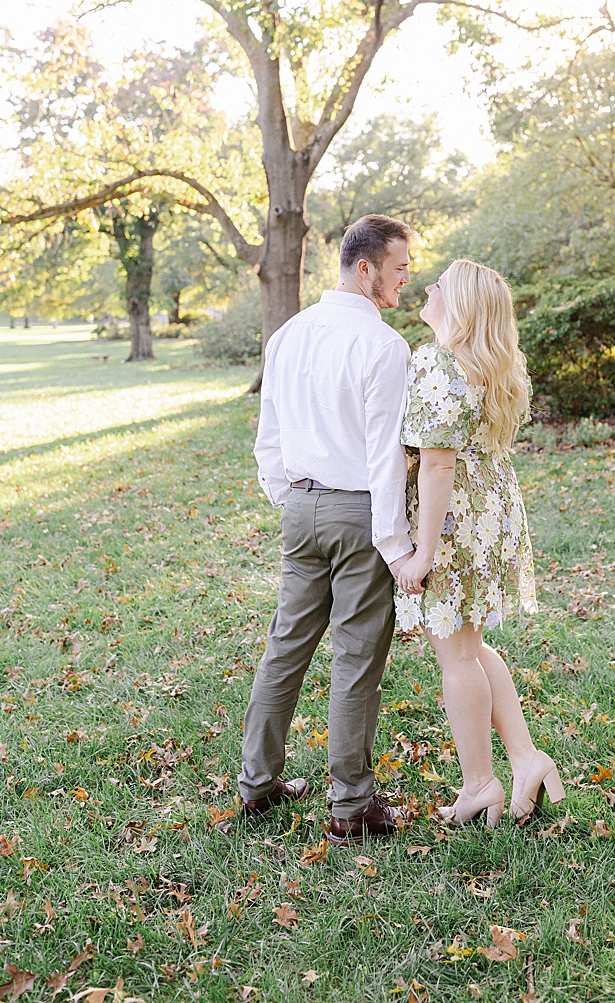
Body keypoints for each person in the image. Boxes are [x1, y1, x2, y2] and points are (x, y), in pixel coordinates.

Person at [240, 213, 418, 842]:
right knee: (357, 656)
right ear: (364, 267)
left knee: (285, 646)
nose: (405, 280)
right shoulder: (383, 346)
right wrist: (397, 543)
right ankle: (352, 806)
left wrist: (285, 496)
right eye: (398, 268)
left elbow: (270, 435)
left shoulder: (288, 335)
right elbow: (384, 455)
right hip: (358, 511)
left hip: (301, 509)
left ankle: (257, 784)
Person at [394, 258, 559, 827]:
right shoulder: (494, 368)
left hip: (455, 519)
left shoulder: (438, 364)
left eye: (440, 284)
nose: (429, 287)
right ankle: (526, 758)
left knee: (457, 652)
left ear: (459, 306)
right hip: (490, 515)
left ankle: (478, 785)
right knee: (472, 644)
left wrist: (423, 551)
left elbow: (436, 465)